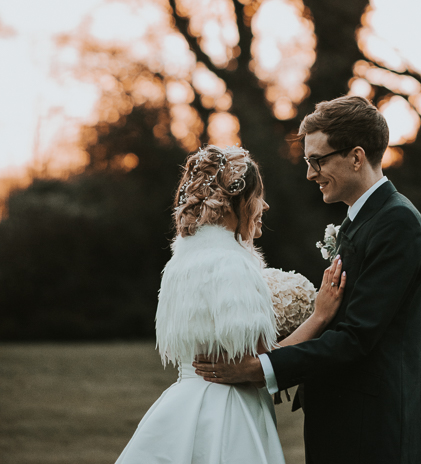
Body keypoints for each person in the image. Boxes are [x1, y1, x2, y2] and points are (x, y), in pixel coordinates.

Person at [196, 96, 421, 464]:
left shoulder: (397, 223)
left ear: (356, 157)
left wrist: (262, 368)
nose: (310, 173)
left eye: (317, 160)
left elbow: (357, 337)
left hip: (373, 428)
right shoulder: (361, 221)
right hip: (344, 418)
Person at [115, 144, 345, 464]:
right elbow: (260, 363)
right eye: (256, 197)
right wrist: (319, 317)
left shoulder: (180, 264)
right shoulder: (231, 265)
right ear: (234, 203)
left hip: (186, 401)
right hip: (228, 412)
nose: (263, 205)